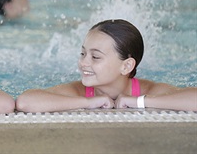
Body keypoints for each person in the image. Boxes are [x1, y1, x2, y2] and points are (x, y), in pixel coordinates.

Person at [16, 19, 197, 112]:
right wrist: (87, 102)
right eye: (83, 53)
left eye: (95, 57)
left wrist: (139, 101)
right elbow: (25, 101)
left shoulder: (147, 89)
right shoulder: (79, 91)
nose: (82, 63)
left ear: (126, 66)